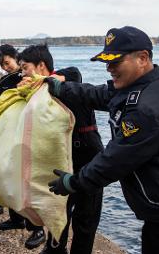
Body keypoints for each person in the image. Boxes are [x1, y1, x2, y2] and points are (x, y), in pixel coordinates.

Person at [46, 26, 159, 254]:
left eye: (115, 62)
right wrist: (61, 87)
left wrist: (73, 182)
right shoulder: (145, 84)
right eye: (106, 62)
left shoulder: (147, 109)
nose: (109, 68)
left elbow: (114, 161)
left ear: (143, 58)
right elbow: (98, 94)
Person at [16, 44, 103, 253]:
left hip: (88, 157)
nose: (22, 73)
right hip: (59, 160)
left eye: (25, 67)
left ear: (41, 66)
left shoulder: (66, 80)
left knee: (86, 217)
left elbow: (75, 73)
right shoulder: (33, 94)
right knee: (58, 209)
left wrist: (45, 82)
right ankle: (54, 248)